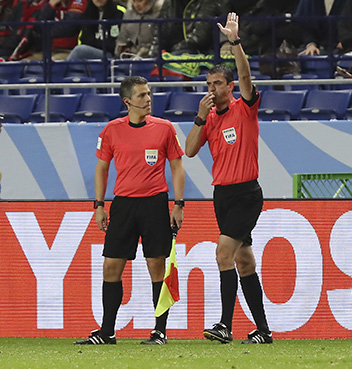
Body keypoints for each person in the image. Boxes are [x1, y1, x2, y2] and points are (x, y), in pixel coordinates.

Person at [74, 75, 185, 345]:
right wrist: (99, 205)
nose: (148, 100)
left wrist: (179, 204)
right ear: (127, 101)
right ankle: (107, 332)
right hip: (122, 204)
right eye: (142, 96)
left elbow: (177, 166)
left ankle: (159, 331)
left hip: (155, 203)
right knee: (111, 266)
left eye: (149, 94)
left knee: (156, 267)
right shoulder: (111, 130)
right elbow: (101, 168)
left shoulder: (165, 128)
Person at [184, 13, 272, 345]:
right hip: (222, 194)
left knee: (223, 253)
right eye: (208, 85)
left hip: (247, 193)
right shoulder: (208, 119)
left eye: (217, 84)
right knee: (244, 260)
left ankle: (224, 324)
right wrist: (199, 116)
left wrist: (234, 41)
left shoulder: (244, 109)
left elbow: (247, 74)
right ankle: (263, 331)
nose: (212, 89)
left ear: (230, 87)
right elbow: (190, 151)